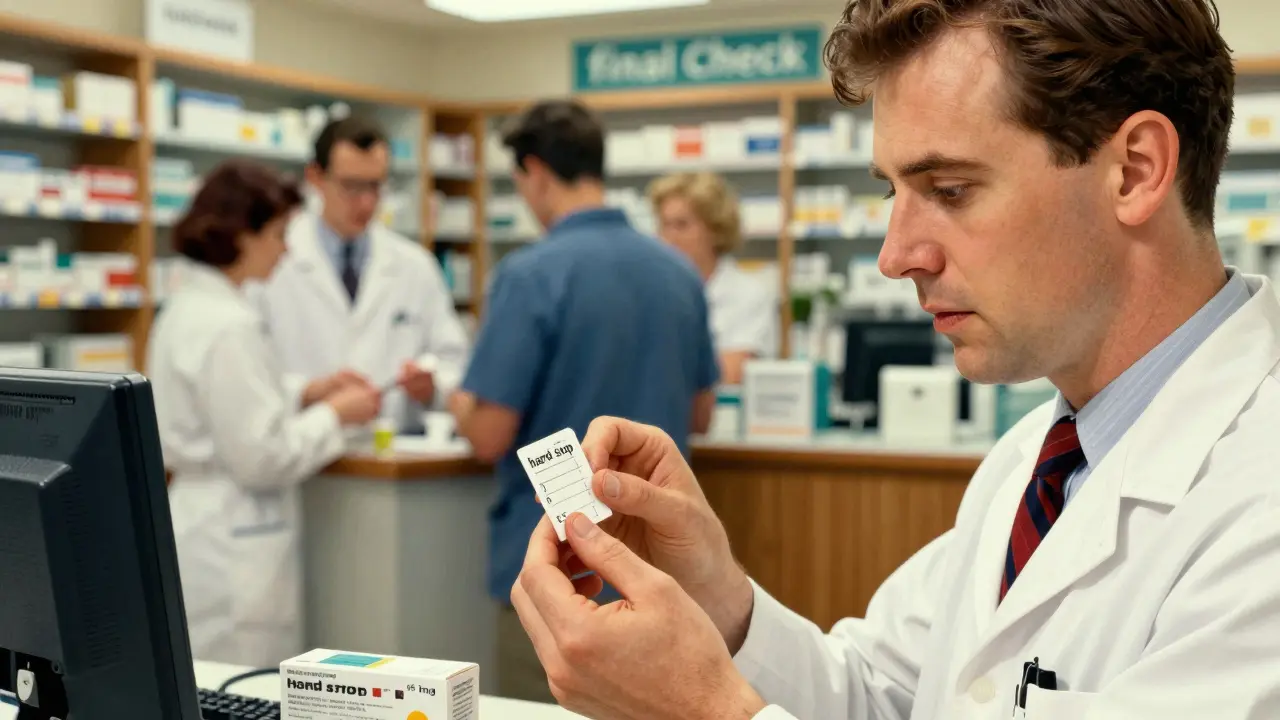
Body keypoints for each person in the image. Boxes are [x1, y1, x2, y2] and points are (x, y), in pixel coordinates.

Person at [510, 0, 1280, 718]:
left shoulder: (1259, 502)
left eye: (948, 188)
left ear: (1136, 170)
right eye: (893, 194)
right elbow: (879, 696)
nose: (895, 255)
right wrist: (720, 603)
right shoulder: (1039, 462)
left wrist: (713, 708)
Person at [449, 99, 719, 702]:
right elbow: (699, 414)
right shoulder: (678, 273)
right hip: (662, 567)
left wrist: (458, 403)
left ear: (536, 172)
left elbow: (488, 434)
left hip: (561, 569)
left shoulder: (532, 274)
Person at [147, 160, 383, 667]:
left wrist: (306, 392)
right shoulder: (228, 325)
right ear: (240, 235)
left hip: (203, 523)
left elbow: (225, 403)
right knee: (239, 687)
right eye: (277, 233)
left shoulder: (190, 308)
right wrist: (336, 415)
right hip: (232, 538)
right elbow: (263, 457)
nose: (286, 248)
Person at [251, 116, 469, 432]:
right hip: (301, 460)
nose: (367, 202)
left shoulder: (415, 265)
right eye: (351, 186)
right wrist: (308, 392)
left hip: (391, 458)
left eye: (376, 185)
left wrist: (432, 384)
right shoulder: (273, 261)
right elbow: (250, 374)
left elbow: (453, 361)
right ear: (315, 177)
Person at [649, 171, 778, 384]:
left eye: (682, 225)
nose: (669, 237)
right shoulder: (654, 292)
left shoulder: (748, 295)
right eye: (664, 225)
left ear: (715, 229)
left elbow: (730, 374)